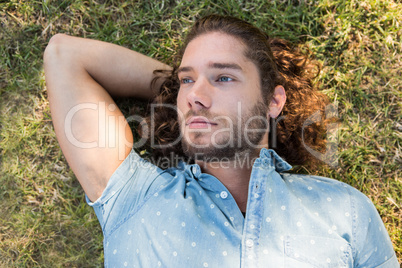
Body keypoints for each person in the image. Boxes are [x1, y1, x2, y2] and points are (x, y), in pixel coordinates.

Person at [44, 15, 398, 267]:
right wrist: (174, 89)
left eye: (224, 77)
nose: (195, 95)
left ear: (274, 101)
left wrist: (189, 89)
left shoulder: (344, 211)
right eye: (186, 80)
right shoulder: (134, 197)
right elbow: (65, 55)